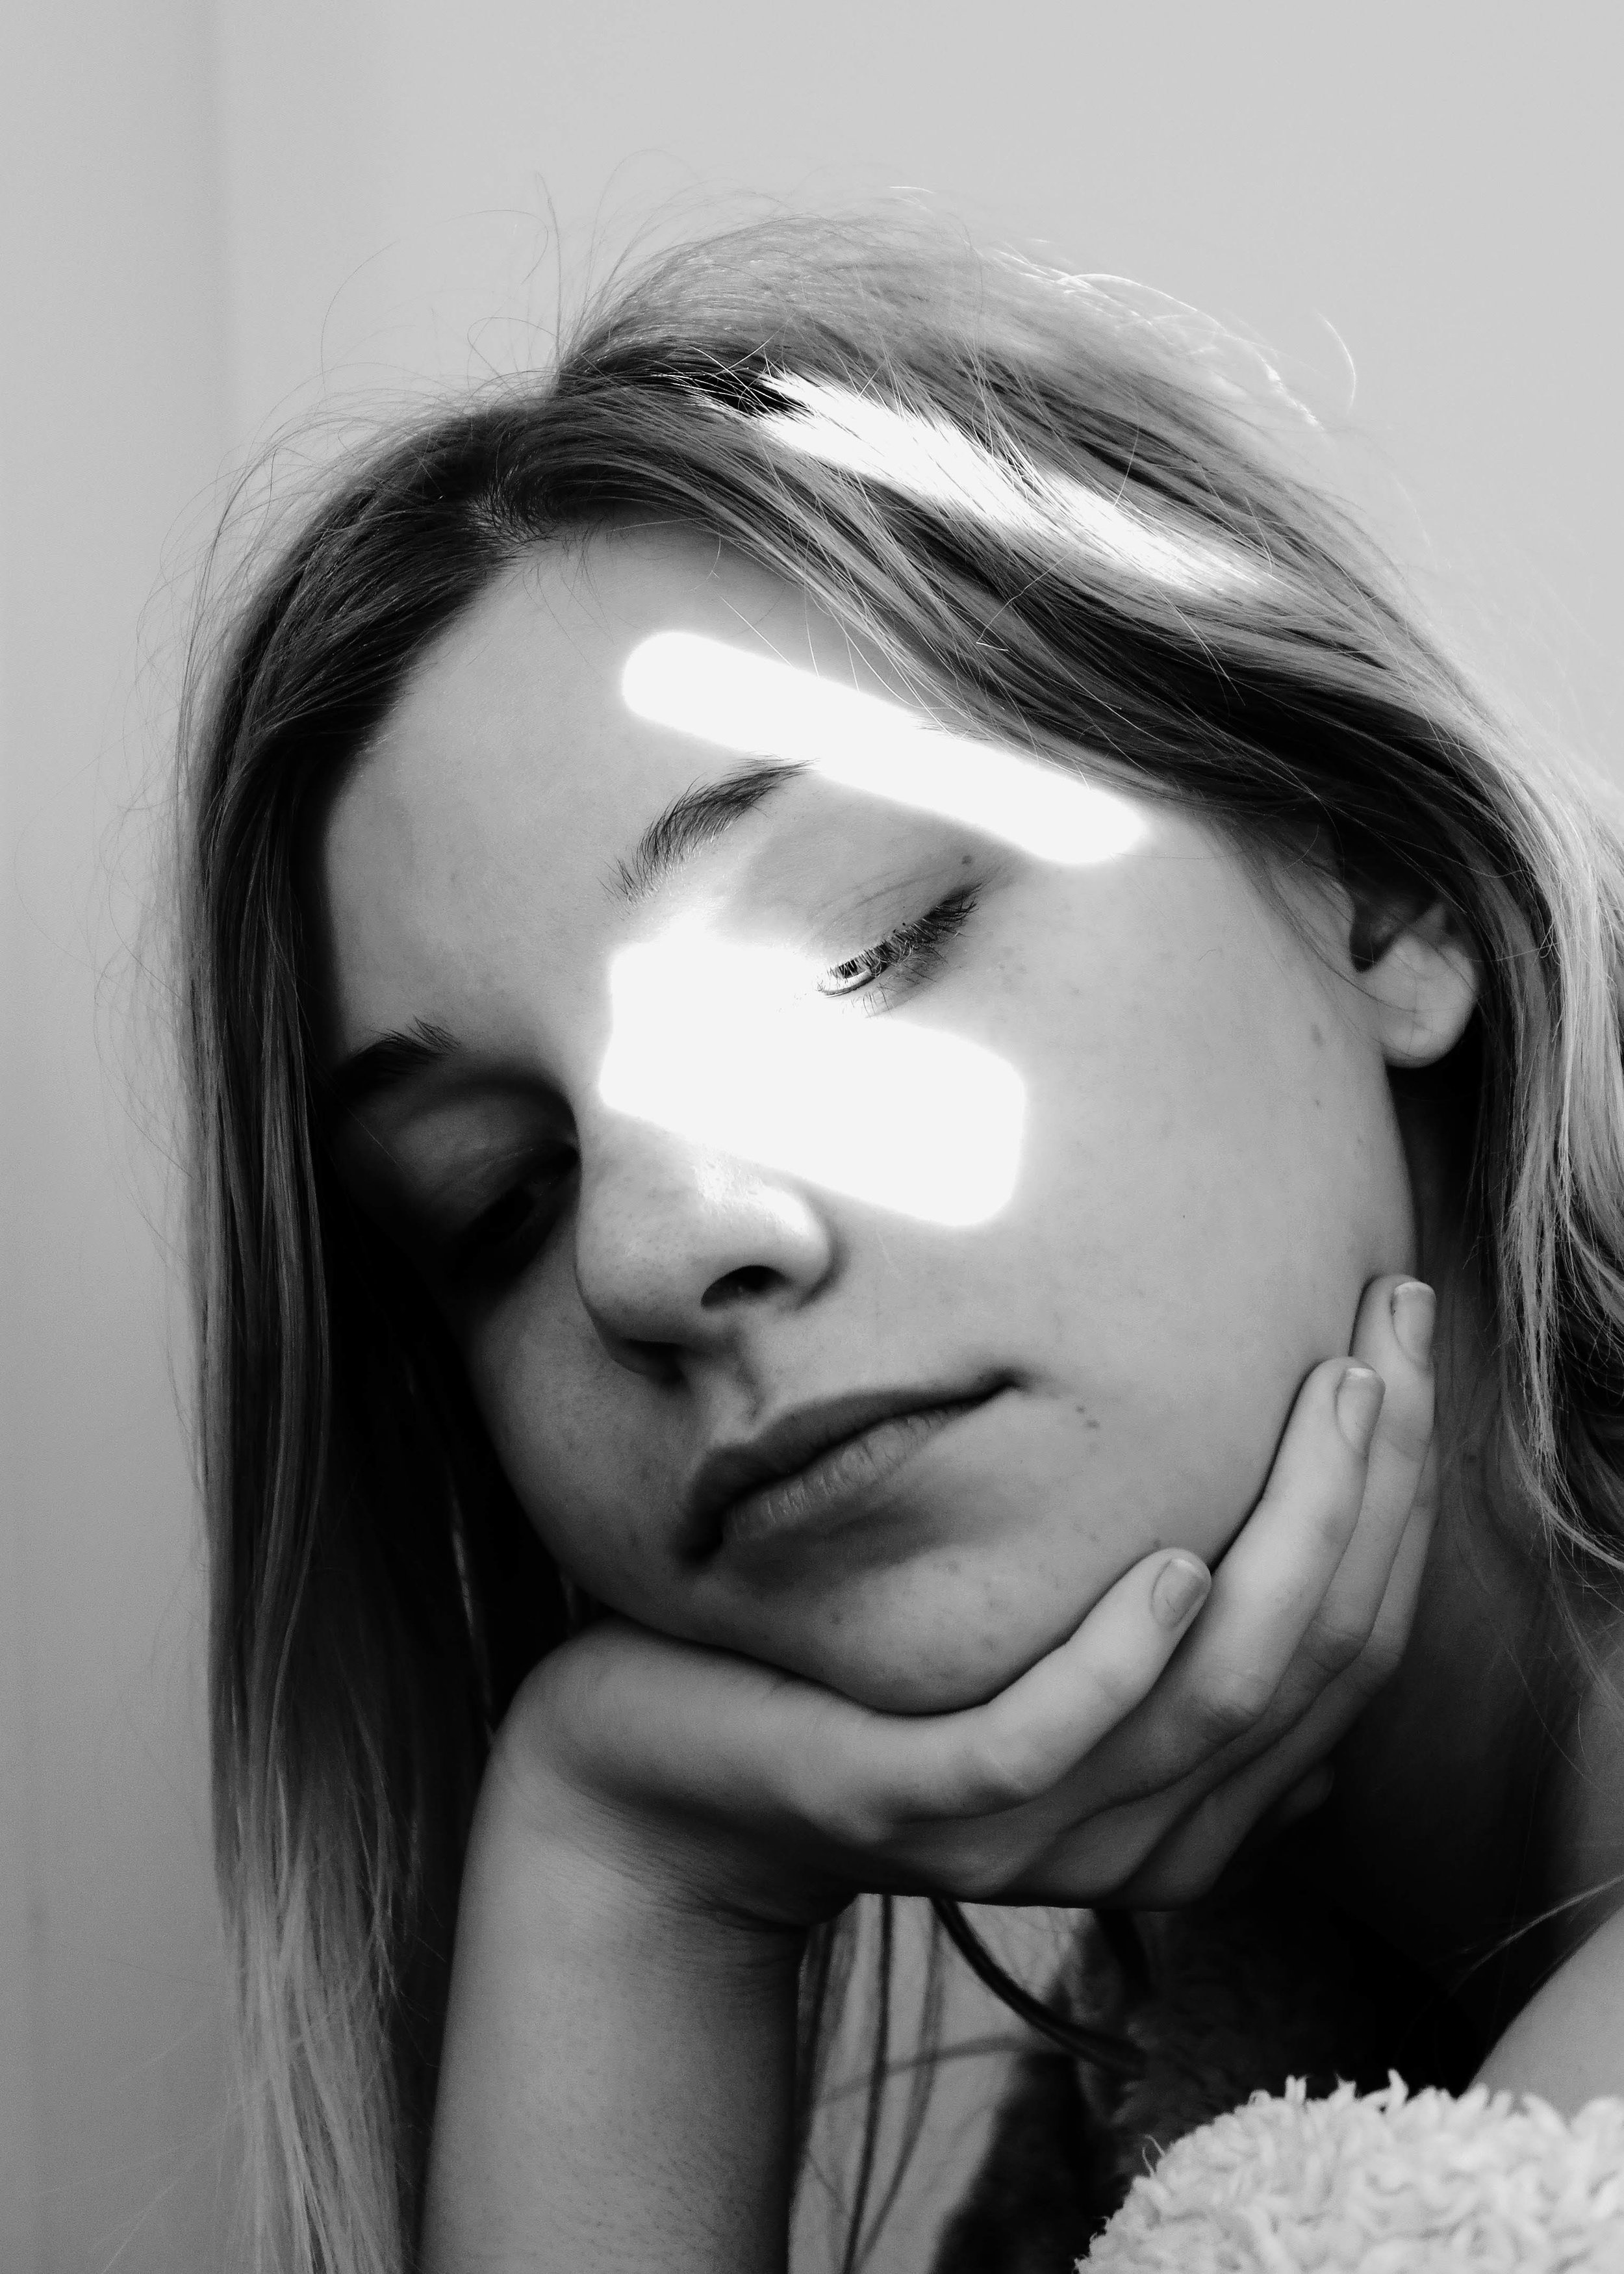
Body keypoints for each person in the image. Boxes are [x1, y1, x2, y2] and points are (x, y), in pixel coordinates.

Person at [172, 209, 1624, 2274]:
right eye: (497, 1196)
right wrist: (620, 1859)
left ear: (1381, 891)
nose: (647, 1250)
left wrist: (624, 1895)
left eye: (857, 955)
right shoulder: (1205, 2108)